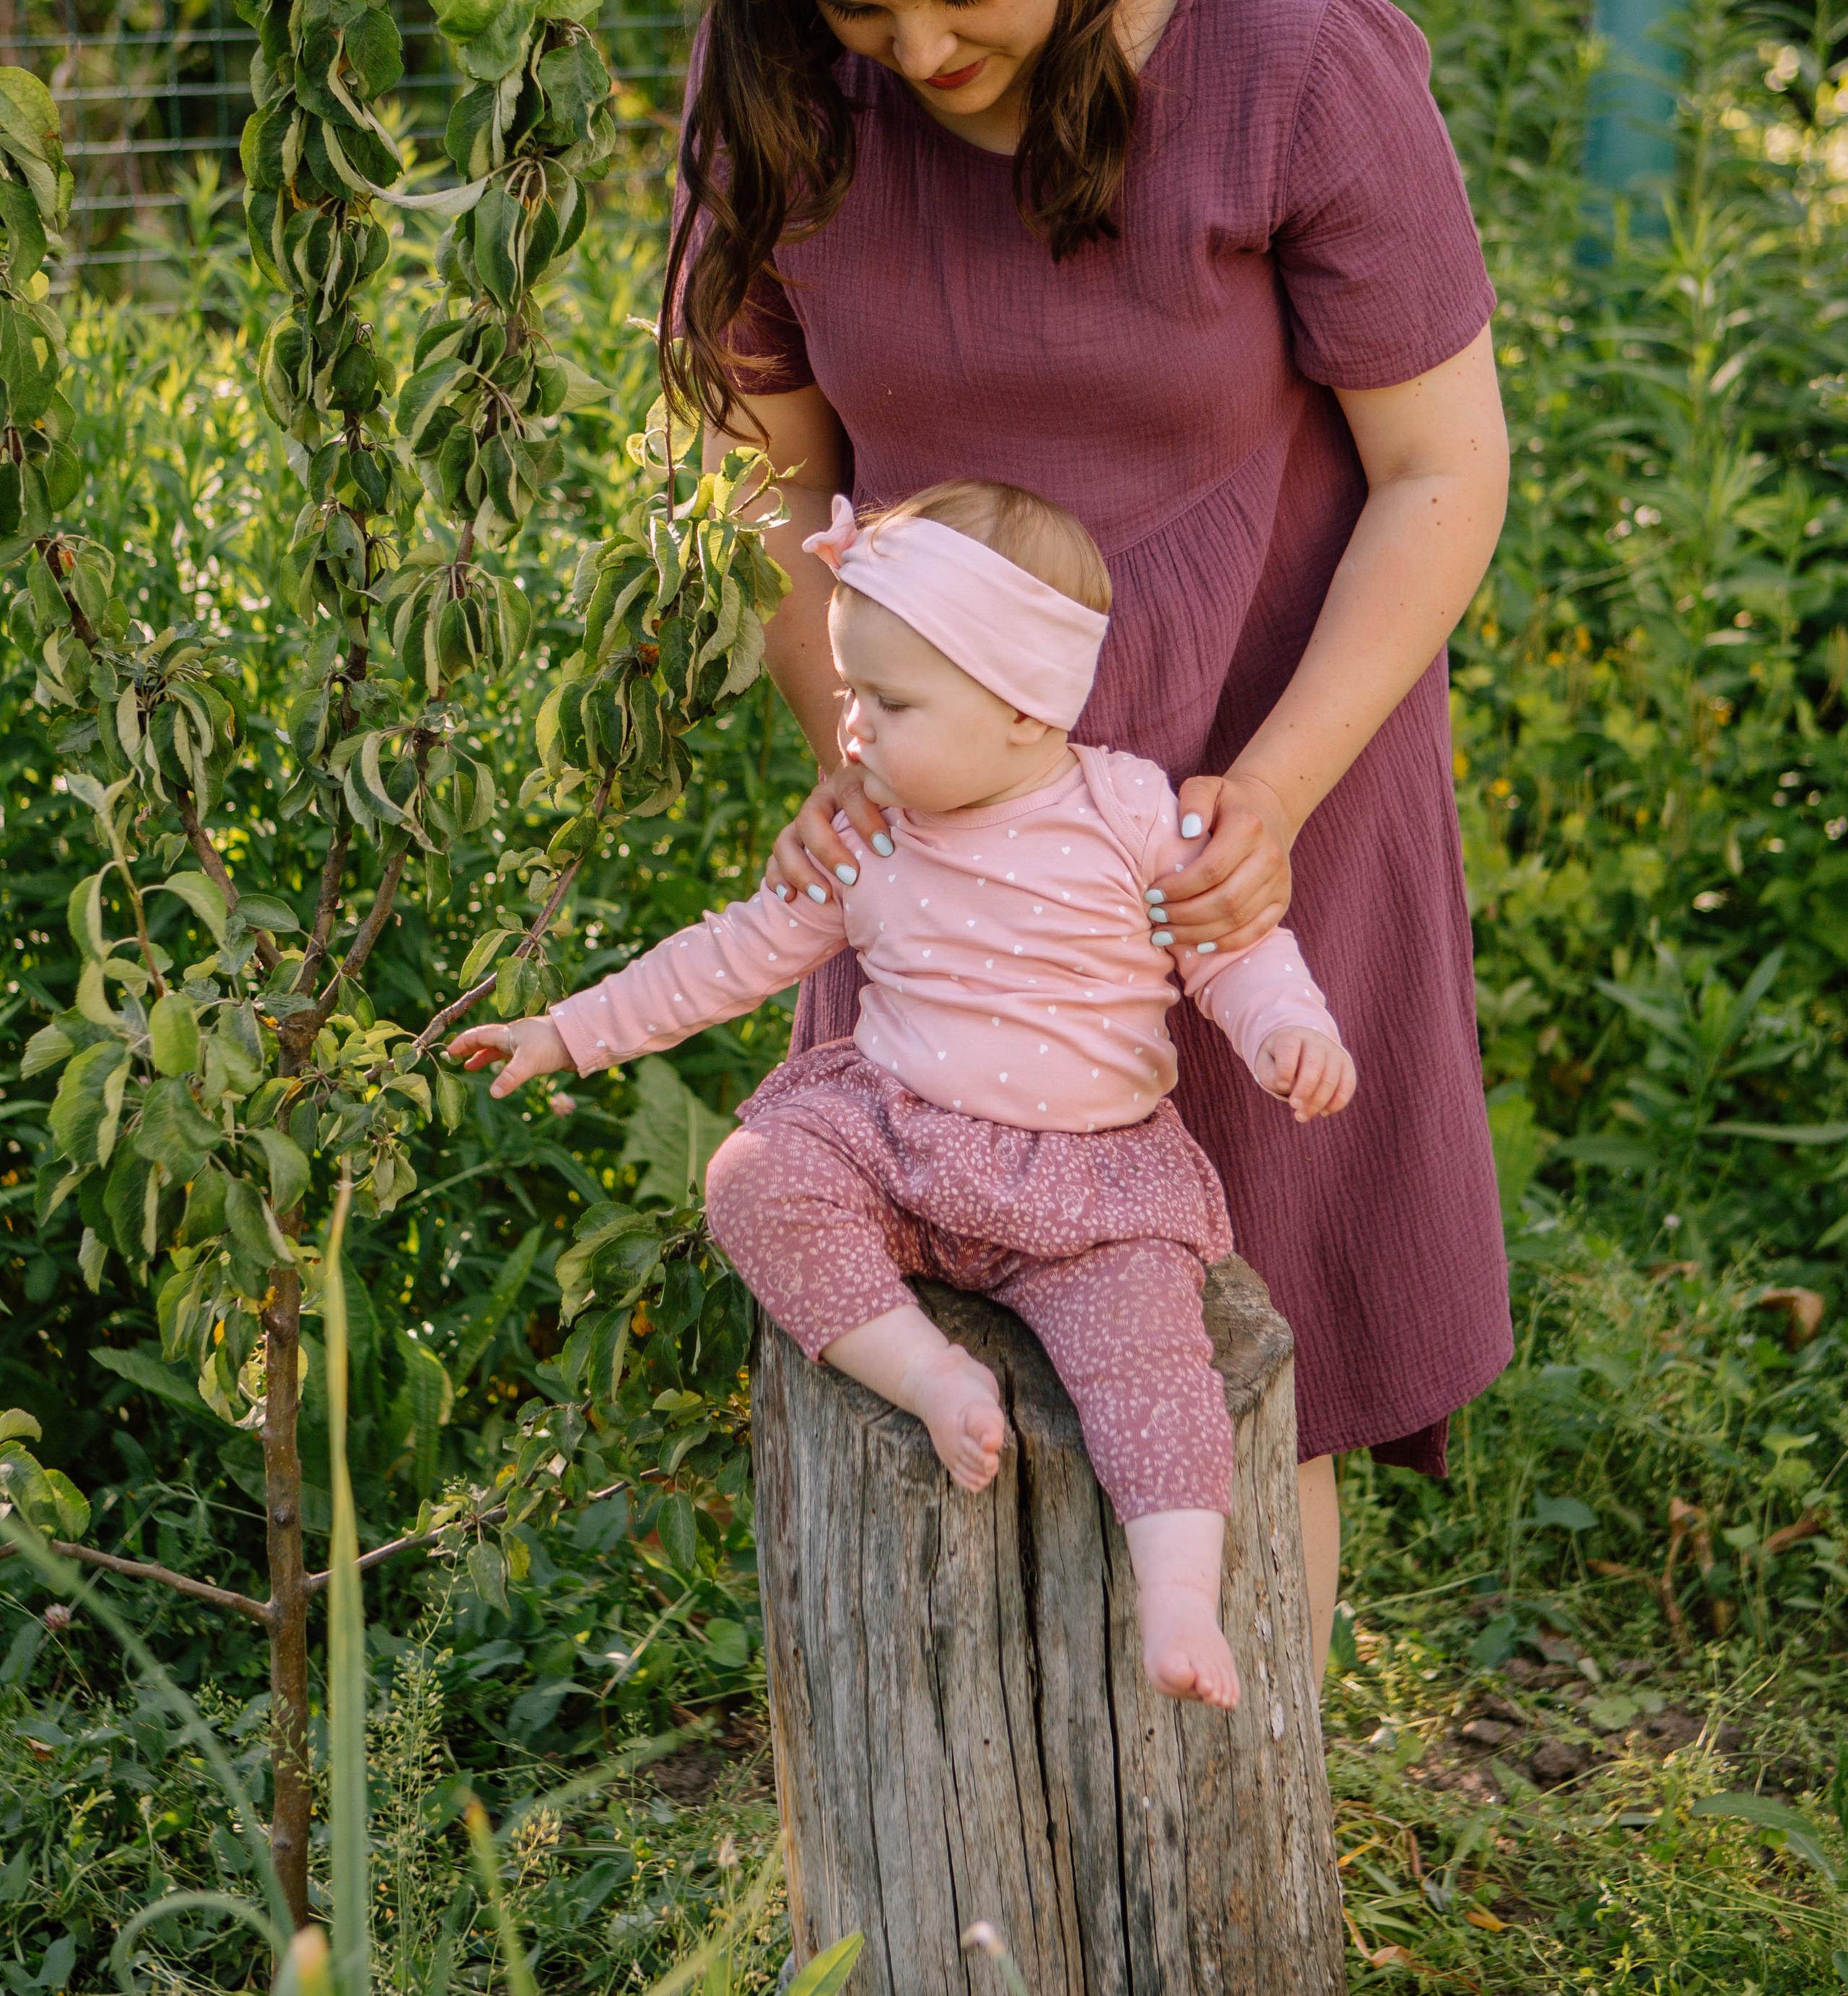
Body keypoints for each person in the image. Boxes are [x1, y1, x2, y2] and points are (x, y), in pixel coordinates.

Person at [658, 0, 1512, 1681]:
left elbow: (1437, 466)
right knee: (924, 1276)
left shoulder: (1293, 59)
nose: (919, 46)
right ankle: (953, 1892)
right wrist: (875, 773)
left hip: (1250, 773)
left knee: (1240, 1323)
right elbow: (774, 494)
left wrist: (1275, 800)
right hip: (946, 813)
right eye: (859, 5)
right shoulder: (785, 81)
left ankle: (1231, 1830)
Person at [452, 481, 1354, 1707]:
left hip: (1088, 1185)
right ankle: (924, 1369)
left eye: (891, 702)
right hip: (897, 1144)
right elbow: (727, 958)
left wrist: (1289, 1032)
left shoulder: (1133, 817)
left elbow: (1235, 948)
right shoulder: (869, 838)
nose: (854, 732)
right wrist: (565, 1035)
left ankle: (1181, 1595)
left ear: (1026, 707)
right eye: (853, 693)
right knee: (754, 1175)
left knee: (1157, 1365)